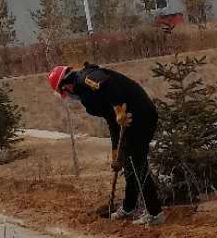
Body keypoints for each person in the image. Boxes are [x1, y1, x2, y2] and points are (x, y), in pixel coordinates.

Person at [49, 62, 164, 225]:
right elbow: (112, 121)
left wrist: (118, 109)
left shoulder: (86, 77)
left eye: (63, 93)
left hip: (140, 115)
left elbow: (109, 84)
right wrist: (116, 151)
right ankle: (129, 207)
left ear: (65, 86)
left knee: (137, 163)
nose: (67, 96)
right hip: (129, 122)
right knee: (129, 164)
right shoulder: (86, 97)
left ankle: (155, 213)